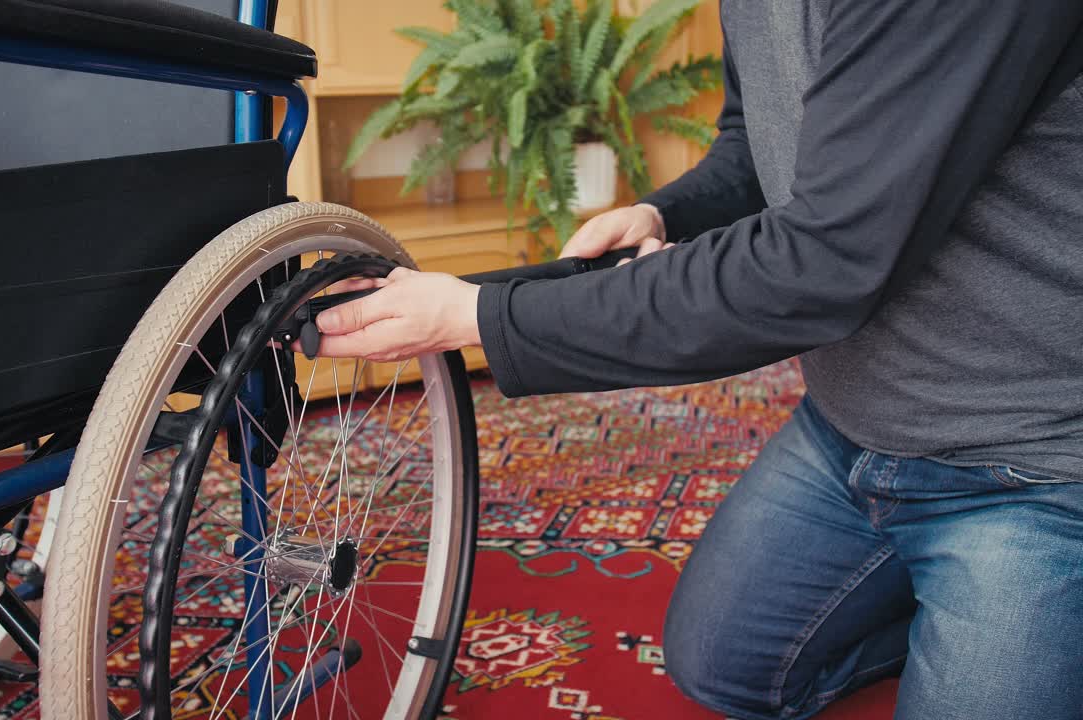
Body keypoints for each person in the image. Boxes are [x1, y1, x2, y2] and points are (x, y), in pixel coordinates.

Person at [309, 2, 1083, 718]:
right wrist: (663, 211)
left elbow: (817, 264)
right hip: (849, 425)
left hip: (1035, 459)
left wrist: (474, 313)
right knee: (721, 666)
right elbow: (759, 145)